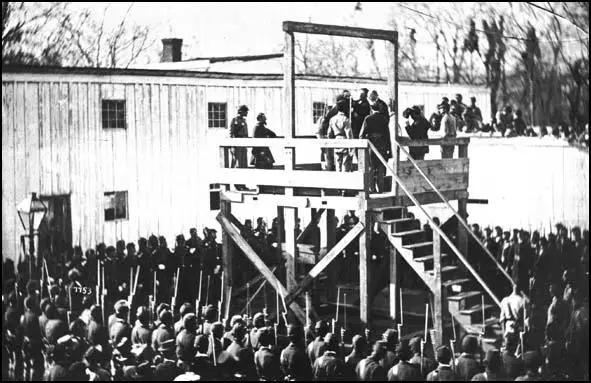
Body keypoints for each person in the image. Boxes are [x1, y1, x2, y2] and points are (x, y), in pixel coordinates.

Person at [360, 101, 392, 192]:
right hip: (382, 146)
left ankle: (372, 188)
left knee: (371, 167)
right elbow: (387, 136)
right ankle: (380, 188)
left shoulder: (368, 119)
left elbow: (361, 135)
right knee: (381, 167)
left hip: (371, 146)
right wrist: (389, 150)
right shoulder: (384, 119)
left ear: (371, 109)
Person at [328, 95, 353, 173]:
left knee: (338, 165)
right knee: (346, 165)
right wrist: (351, 147)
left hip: (336, 141)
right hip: (345, 141)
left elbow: (329, 133)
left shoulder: (332, 119)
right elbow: (349, 134)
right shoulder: (345, 119)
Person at [229, 105, 249, 190]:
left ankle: (242, 184)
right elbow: (231, 133)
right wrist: (232, 146)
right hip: (237, 145)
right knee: (237, 164)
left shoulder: (244, 121)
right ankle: (237, 184)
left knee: (243, 164)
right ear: (241, 111)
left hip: (243, 145)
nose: (247, 113)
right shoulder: (235, 120)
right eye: (245, 111)